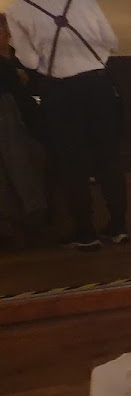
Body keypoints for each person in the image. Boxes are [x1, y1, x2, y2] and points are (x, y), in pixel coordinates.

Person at [5, 0, 127, 250]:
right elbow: (112, 42)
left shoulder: (17, 7)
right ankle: (119, 227)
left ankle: (85, 233)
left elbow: (29, 60)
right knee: (108, 158)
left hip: (60, 91)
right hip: (99, 86)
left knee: (71, 162)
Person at [0, 12, 48, 246]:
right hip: (13, 120)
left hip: (21, 119)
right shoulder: (8, 65)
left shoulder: (15, 59)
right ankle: (27, 220)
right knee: (19, 167)